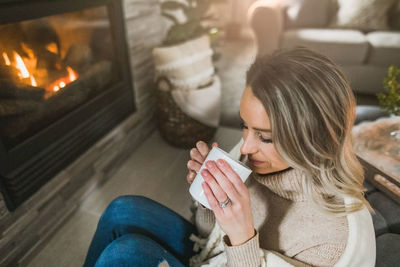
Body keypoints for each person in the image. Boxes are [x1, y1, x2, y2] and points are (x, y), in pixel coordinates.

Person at [83, 48, 375, 267]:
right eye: (244, 125)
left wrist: (242, 235)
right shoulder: (256, 155)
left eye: (266, 136)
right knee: (121, 209)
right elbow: (207, 242)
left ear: (317, 136)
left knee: (125, 253)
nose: (246, 147)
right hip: (214, 258)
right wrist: (209, 200)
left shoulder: (331, 240)